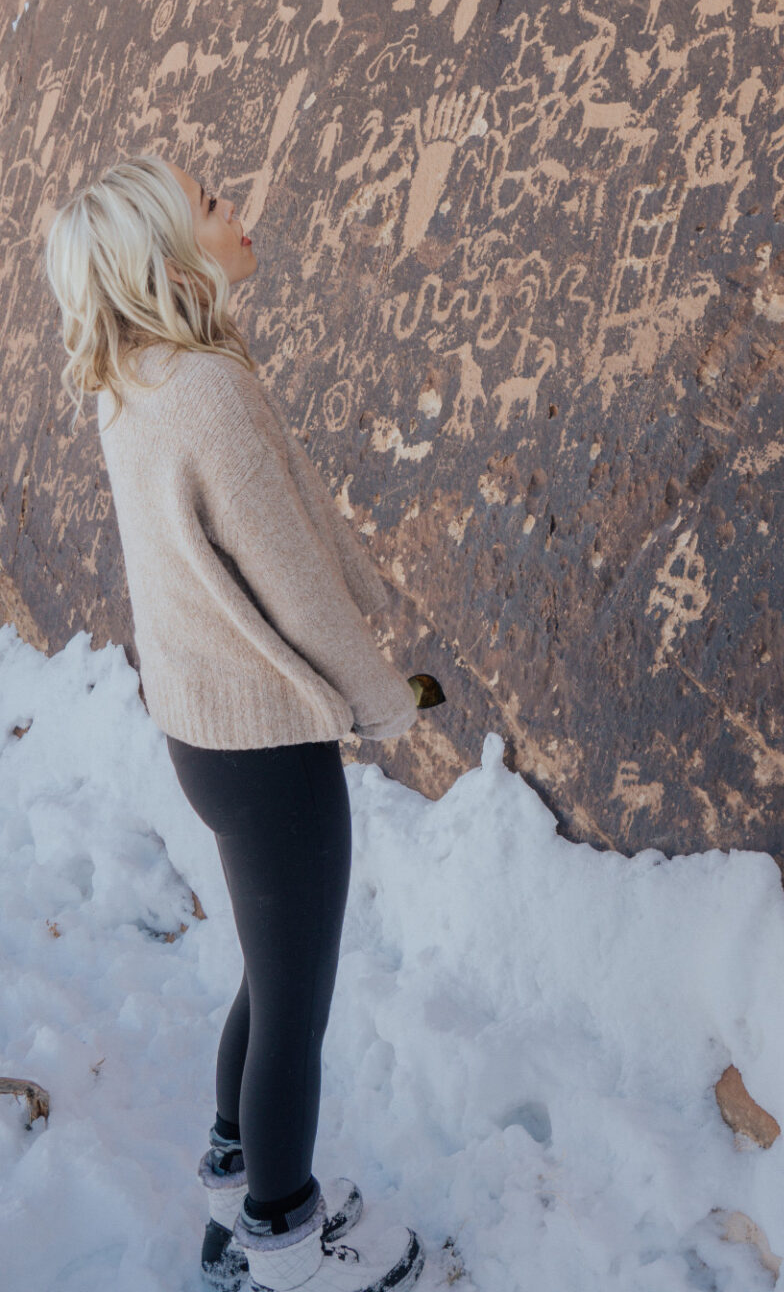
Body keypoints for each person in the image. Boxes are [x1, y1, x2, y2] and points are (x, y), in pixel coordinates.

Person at [43, 151, 431, 1292]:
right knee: (295, 1007)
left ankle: (234, 1169)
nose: (239, 213)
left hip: (205, 738)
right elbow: (293, 579)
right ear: (166, 256)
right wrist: (376, 700)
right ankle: (286, 1237)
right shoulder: (207, 389)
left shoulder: (136, 379)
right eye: (214, 206)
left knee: (268, 978)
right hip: (266, 746)